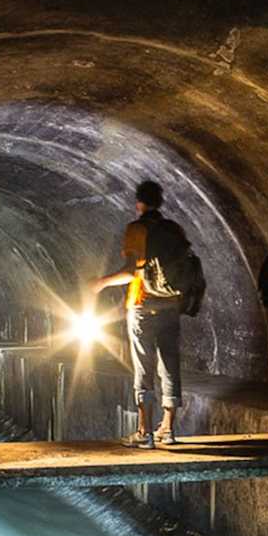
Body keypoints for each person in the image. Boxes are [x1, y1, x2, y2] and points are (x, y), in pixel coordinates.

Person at [91, 180, 188, 448]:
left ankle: (144, 432)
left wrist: (101, 283)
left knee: (144, 367)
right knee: (170, 365)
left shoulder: (136, 229)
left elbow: (131, 270)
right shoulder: (174, 229)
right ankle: (168, 430)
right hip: (171, 304)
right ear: (160, 202)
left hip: (142, 305)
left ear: (139, 204)